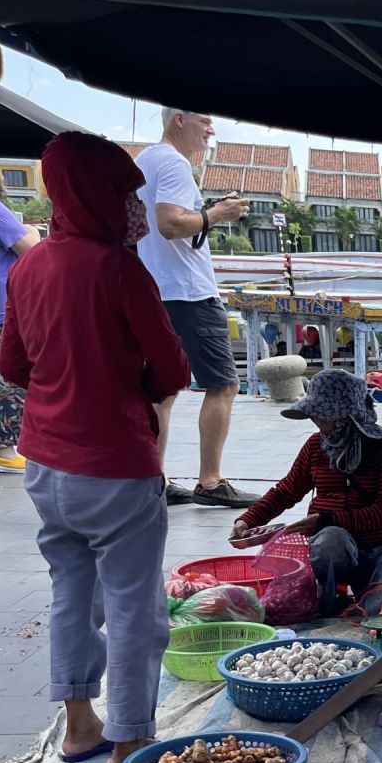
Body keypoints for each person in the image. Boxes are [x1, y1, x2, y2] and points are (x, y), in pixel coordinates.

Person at [0, 132, 190, 763]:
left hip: (45, 467)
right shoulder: (117, 268)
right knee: (136, 604)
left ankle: (80, 726)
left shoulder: (28, 266)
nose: (134, 210)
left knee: (71, 594)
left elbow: (11, 363)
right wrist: (124, 388)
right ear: (98, 196)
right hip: (115, 467)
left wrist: (65, 383)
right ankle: (132, 742)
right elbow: (173, 367)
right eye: (125, 195)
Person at [135, 108, 258, 508]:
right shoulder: (173, 162)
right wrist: (217, 213)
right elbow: (170, 223)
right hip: (188, 293)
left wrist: (205, 212)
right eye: (203, 120)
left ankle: (153, 478)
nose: (211, 128)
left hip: (153, 289)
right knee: (223, 384)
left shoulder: (145, 159)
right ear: (179, 120)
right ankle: (210, 480)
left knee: (162, 390)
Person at [233, 370, 382, 618]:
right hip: (332, 549)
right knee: (330, 540)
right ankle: (327, 598)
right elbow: (286, 491)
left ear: (347, 417)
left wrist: (325, 519)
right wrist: (248, 520)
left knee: (380, 612)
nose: (317, 422)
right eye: (314, 416)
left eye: (324, 417)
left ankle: (357, 595)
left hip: (381, 545)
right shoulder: (315, 446)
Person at [0, 177, 42, 472]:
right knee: (9, 381)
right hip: (3, 308)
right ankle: (4, 447)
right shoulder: (0, 212)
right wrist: (32, 230)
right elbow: (31, 250)